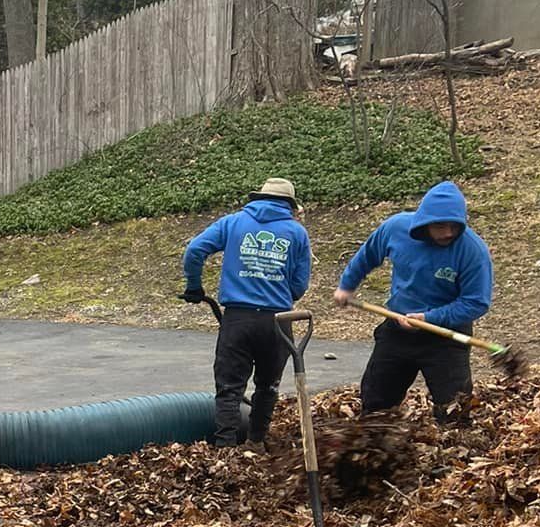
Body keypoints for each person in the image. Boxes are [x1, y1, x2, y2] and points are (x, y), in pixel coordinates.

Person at [333, 180, 492, 421]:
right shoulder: (396, 228)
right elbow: (367, 256)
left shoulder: (472, 251)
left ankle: (450, 450)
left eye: (454, 226)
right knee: (376, 401)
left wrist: (430, 318)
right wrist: (347, 286)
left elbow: (476, 302)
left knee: (454, 408)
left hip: (445, 335)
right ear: (424, 222)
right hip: (397, 327)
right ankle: (378, 444)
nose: (448, 233)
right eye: (440, 226)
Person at [181, 177, 311, 447]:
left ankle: (225, 449)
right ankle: (255, 442)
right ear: (290, 204)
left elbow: (194, 251)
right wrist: (278, 287)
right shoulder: (296, 233)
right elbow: (299, 286)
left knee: (229, 387)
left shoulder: (233, 222)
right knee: (267, 386)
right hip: (277, 322)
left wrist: (194, 287)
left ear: (259, 198)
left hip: (238, 319)